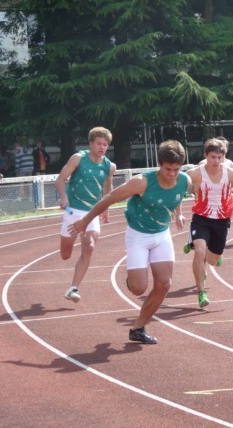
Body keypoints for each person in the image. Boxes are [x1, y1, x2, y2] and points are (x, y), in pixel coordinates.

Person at [68, 140, 190, 344]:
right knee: (138, 288)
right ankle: (131, 280)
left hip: (161, 234)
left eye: (176, 169)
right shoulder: (141, 182)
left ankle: (138, 328)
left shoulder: (184, 180)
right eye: (168, 169)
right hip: (138, 236)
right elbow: (110, 198)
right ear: (160, 164)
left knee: (164, 284)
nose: (172, 173)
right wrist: (85, 221)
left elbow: (178, 196)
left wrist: (179, 214)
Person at [186, 138, 233, 308]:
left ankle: (213, 255)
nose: (216, 161)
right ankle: (201, 292)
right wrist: (177, 212)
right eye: (213, 157)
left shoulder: (230, 173)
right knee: (200, 251)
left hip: (222, 220)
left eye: (219, 157)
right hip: (201, 219)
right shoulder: (195, 173)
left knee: (211, 260)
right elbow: (178, 188)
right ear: (206, 156)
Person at [55, 127, 116, 303]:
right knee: (65, 255)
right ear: (91, 143)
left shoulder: (109, 166)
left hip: (92, 213)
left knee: (89, 246)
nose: (102, 147)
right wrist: (64, 197)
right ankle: (70, 244)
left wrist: (106, 208)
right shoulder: (78, 158)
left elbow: (107, 188)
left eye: (105, 144)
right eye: (99, 143)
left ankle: (73, 288)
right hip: (72, 211)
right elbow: (60, 180)